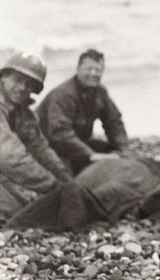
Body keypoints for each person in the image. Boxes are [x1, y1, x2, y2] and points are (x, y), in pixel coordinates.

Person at [0, 52, 72, 221]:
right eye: (18, 80)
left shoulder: (22, 113)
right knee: (13, 213)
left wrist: (66, 180)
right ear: (4, 77)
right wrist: (52, 185)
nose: (22, 88)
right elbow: (10, 157)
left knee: (24, 209)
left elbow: (40, 148)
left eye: (28, 85)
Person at [36, 49, 129, 175]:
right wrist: (90, 154)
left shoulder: (100, 92)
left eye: (98, 70)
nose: (93, 73)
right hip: (48, 147)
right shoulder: (64, 94)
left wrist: (124, 149)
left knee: (119, 156)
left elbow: (114, 121)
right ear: (78, 68)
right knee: (67, 182)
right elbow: (60, 133)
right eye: (89, 69)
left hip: (77, 144)